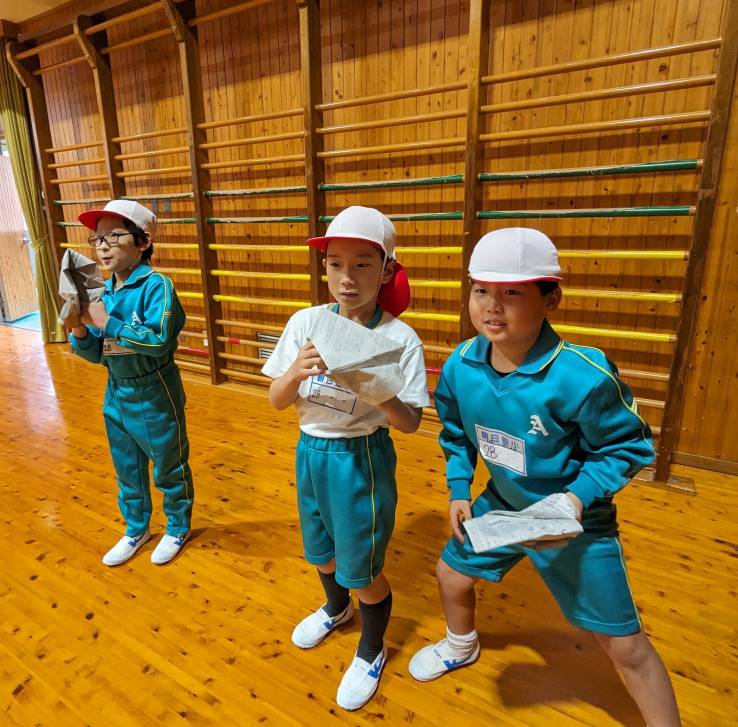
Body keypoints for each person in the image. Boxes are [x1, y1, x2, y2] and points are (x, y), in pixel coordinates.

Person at [408, 228, 682, 727]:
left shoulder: (584, 374)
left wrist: (574, 502)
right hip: (503, 505)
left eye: (512, 293)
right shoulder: (460, 365)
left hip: (575, 521)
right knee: (450, 575)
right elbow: (455, 434)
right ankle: (460, 644)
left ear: (550, 296)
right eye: (481, 290)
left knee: (625, 647)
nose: (492, 306)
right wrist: (457, 488)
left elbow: (629, 446)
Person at [261, 206, 429, 711]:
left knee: (362, 565)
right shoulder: (306, 321)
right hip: (310, 451)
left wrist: (375, 390)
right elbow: (277, 400)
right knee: (322, 548)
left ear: (386, 269)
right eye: (335, 263)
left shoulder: (400, 338)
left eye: (362, 264)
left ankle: (371, 648)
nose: (346, 277)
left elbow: (412, 423)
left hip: (362, 459)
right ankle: (336, 608)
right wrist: (293, 371)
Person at [69, 200, 194, 568]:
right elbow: (99, 354)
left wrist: (107, 322)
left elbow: (157, 343)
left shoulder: (156, 286)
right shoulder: (99, 290)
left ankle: (177, 526)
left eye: (114, 236)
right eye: (97, 239)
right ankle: (136, 527)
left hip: (154, 389)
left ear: (143, 242)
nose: (102, 246)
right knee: (127, 467)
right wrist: (79, 330)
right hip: (116, 390)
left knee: (168, 465)